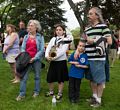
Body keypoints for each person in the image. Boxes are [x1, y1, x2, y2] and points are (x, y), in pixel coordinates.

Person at [81, 7, 112, 107]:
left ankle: (99, 100)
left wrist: (93, 40)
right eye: (88, 14)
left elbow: (109, 41)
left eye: (90, 14)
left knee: (99, 80)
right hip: (88, 58)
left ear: (97, 15)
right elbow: (83, 41)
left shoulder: (104, 27)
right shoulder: (87, 29)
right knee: (92, 79)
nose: (88, 16)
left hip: (98, 58)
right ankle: (94, 97)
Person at [16, 20, 44, 101]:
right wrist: (26, 58)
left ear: (36, 27)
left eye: (31, 26)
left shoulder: (40, 37)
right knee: (23, 77)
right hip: (26, 60)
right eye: (29, 25)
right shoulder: (26, 37)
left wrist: (34, 58)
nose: (29, 27)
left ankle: (36, 91)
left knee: (37, 76)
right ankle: (22, 94)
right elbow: (23, 48)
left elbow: (41, 50)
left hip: (37, 59)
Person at [45, 24, 69, 101]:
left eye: (60, 30)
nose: (58, 31)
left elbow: (62, 51)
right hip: (53, 62)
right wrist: (46, 56)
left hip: (61, 61)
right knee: (50, 77)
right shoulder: (53, 39)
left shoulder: (66, 39)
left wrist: (52, 58)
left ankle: (60, 93)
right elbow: (48, 48)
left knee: (60, 78)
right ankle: (51, 92)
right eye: (57, 30)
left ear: (63, 31)